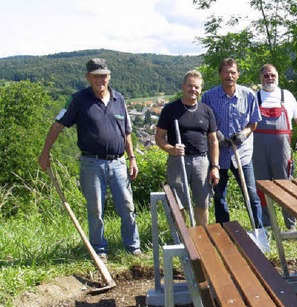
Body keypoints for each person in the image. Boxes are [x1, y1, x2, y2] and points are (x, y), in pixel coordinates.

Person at [38, 58, 141, 260]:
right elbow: (58, 125)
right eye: (95, 76)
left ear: (109, 76)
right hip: (91, 164)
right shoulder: (78, 100)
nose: (100, 79)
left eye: (103, 75)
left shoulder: (118, 99)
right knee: (96, 209)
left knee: (127, 206)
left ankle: (133, 248)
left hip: (118, 163)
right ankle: (99, 250)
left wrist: (132, 158)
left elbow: (127, 132)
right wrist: (45, 153)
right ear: (88, 77)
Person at [201, 58, 263, 227]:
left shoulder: (248, 95)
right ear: (220, 74)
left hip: (242, 154)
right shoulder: (208, 97)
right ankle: (224, 230)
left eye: (233, 72)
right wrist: (216, 134)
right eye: (226, 72)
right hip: (218, 155)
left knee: (251, 194)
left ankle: (258, 229)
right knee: (219, 196)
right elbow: (204, 123)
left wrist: (244, 133)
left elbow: (254, 122)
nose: (230, 75)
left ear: (238, 74)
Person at [155, 70, 220, 226]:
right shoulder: (170, 110)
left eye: (197, 87)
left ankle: (201, 236)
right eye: (190, 86)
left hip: (202, 161)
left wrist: (215, 166)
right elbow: (159, 138)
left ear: (200, 89)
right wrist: (171, 149)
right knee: (178, 203)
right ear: (183, 86)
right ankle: (183, 238)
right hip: (178, 161)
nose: (193, 90)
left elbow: (214, 141)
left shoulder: (206, 110)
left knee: (202, 202)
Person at [253, 64, 297, 230]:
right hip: (259, 152)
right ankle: (267, 227)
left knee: (286, 186)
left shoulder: (286, 96)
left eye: (272, 76)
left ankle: (291, 226)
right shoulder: (254, 97)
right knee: (261, 188)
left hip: (282, 152)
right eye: (266, 76)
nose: (270, 79)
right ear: (261, 78)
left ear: (277, 77)